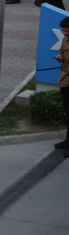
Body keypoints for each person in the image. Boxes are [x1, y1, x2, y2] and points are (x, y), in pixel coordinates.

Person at [55, 17, 69, 153]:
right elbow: (64, 53)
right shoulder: (65, 39)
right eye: (63, 30)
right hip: (65, 77)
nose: (65, 32)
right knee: (67, 111)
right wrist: (61, 57)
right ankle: (67, 140)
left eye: (67, 29)